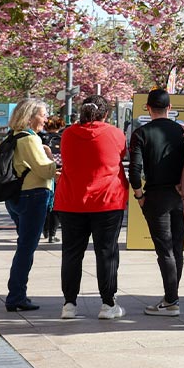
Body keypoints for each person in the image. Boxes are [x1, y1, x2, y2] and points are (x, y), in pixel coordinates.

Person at [53, 95, 128, 320]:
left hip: (71, 201)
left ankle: (69, 304)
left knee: (71, 253)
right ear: (105, 114)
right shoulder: (115, 134)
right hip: (107, 200)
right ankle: (107, 303)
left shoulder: (67, 134)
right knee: (106, 252)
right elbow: (121, 155)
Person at [129, 88, 184, 317]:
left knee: (164, 249)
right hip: (180, 196)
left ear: (148, 108)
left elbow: (134, 171)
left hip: (155, 197)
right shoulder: (183, 130)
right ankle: (171, 297)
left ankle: (171, 300)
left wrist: (139, 196)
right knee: (176, 248)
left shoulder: (141, 133)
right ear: (170, 107)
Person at [3, 98, 58, 313]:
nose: (46, 119)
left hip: (17, 196)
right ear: (30, 116)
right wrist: (51, 157)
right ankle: (16, 295)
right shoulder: (29, 140)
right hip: (33, 196)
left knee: (24, 245)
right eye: (43, 114)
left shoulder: (14, 136)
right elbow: (45, 170)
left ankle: (16, 294)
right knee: (26, 248)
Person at [41, 115, 66, 243]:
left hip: (43, 173)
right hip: (59, 173)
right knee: (55, 204)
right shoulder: (63, 139)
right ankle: (52, 233)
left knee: (45, 203)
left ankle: (44, 230)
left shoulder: (41, 138)